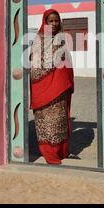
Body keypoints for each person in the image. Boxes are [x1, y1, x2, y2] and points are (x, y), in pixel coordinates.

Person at [30, 9, 74, 164]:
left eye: (57, 21)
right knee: (47, 123)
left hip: (60, 89)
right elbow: (36, 68)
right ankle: (50, 154)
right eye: (51, 21)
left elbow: (67, 61)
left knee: (59, 121)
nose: (54, 24)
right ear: (45, 22)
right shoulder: (38, 40)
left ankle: (62, 152)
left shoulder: (60, 39)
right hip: (45, 89)